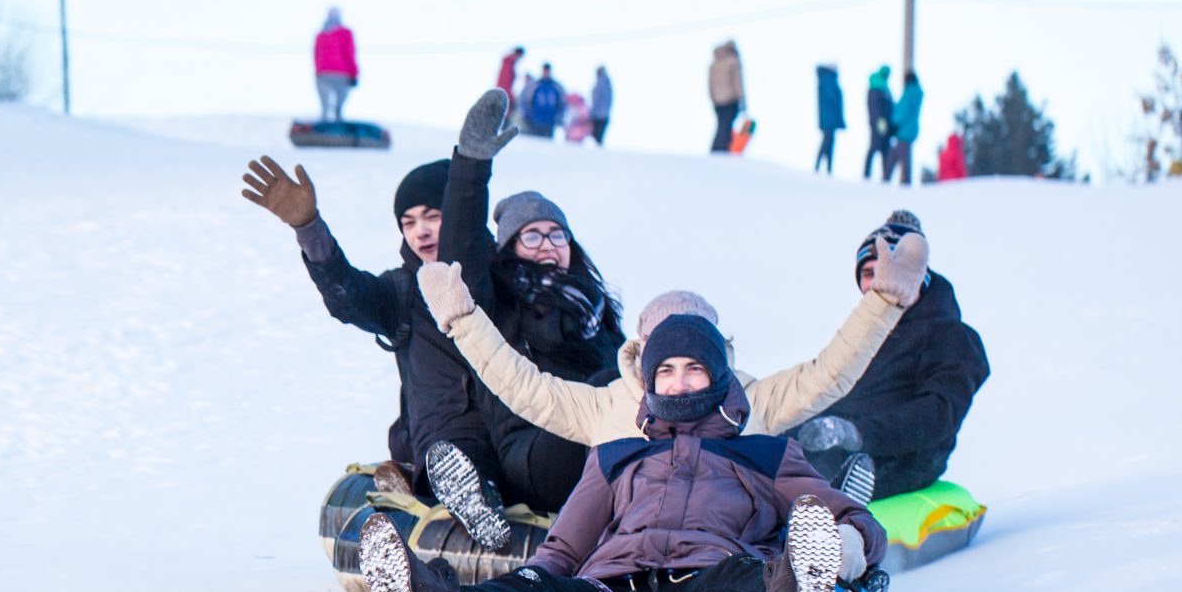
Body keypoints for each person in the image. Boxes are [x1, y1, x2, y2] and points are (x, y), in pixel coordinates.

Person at [356, 313, 888, 592]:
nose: (679, 383)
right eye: (666, 372)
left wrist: (844, 550)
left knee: (740, 578)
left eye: (694, 369)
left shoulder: (765, 454)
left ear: (719, 377)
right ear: (650, 382)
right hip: (615, 590)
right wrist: (531, 589)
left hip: (710, 576)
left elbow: (855, 519)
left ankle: (795, 591)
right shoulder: (615, 456)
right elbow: (564, 549)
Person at [413, 226, 929, 449]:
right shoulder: (611, 406)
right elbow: (524, 387)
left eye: (696, 356)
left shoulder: (750, 401)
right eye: (666, 354)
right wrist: (464, 322)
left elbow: (829, 374)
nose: (680, 376)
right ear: (644, 350)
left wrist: (883, 303)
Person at [411, 89, 628, 543]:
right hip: (532, 453)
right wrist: (471, 164)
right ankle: (474, 495)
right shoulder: (499, 300)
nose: (548, 244)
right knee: (610, 387)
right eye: (532, 236)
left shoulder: (597, 309)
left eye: (557, 234)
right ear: (510, 247)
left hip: (596, 441)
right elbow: (462, 252)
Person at [240, 154, 452, 493]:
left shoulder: (500, 277)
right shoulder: (401, 292)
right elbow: (347, 296)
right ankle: (417, 489)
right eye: (408, 223)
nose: (420, 232)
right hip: (436, 446)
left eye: (433, 217)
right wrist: (309, 228)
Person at [790, 210, 989, 501]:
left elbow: (937, 414)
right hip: (836, 443)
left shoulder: (951, 336)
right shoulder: (866, 336)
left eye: (887, 270)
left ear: (918, 276)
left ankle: (834, 507)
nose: (877, 283)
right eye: (868, 274)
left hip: (902, 458)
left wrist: (856, 433)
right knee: (768, 448)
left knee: (823, 470)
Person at [313, 8, 358, 123]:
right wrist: (354, 73)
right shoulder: (345, 33)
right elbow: (349, 53)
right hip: (341, 73)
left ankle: (324, 122)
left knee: (325, 107)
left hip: (323, 73)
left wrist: (318, 72)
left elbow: (316, 55)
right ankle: (338, 120)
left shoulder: (320, 35)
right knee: (339, 107)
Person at [884, 71, 922, 186]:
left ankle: (890, 181)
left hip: (903, 130)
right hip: (911, 130)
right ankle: (897, 181)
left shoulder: (909, 92)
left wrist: (893, 123)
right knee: (903, 157)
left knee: (896, 158)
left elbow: (902, 110)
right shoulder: (917, 93)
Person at [709, 41, 744, 153]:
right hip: (730, 99)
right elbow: (738, 82)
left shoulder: (714, 63)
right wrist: (741, 99)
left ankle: (716, 149)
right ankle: (723, 150)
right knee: (726, 126)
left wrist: (713, 99)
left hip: (717, 101)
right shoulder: (733, 62)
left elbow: (710, 84)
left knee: (721, 125)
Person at [863, 65, 894, 180]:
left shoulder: (885, 88)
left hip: (885, 124)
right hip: (879, 124)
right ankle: (866, 175)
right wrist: (879, 123)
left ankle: (885, 177)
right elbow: (875, 108)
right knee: (875, 147)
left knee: (885, 149)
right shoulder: (876, 88)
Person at [815, 63, 844, 174]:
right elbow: (832, 99)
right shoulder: (828, 79)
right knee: (827, 141)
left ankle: (828, 168)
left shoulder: (829, 79)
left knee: (830, 142)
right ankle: (819, 167)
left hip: (831, 117)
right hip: (829, 117)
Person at [527, 63, 566, 139]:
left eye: (547, 71)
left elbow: (562, 103)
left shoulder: (555, 86)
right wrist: (529, 116)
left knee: (547, 142)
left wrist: (559, 117)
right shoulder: (536, 85)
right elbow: (528, 101)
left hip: (550, 121)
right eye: (545, 70)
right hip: (536, 120)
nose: (546, 73)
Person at [588, 66, 613, 145]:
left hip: (600, 115)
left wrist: (593, 112)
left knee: (597, 136)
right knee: (596, 136)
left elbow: (599, 100)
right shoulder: (605, 83)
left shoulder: (602, 84)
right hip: (602, 114)